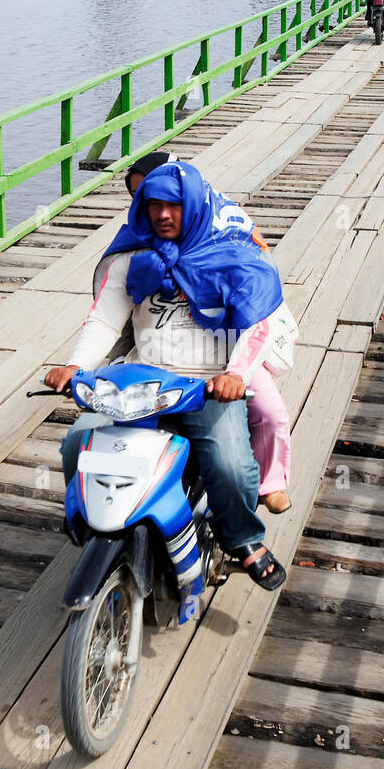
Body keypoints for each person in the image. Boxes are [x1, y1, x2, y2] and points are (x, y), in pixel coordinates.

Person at [45, 159, 296, 590]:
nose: (163, 215)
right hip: (141, 381)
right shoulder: (132, 259)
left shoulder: (231, 257)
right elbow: (104, 319)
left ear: (195, 206)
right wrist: (75, 366)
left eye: (174, 206)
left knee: (232, 465)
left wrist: (235, 374)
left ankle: (241, 539)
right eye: (154, 205)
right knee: (76, 445)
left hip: (207, 386)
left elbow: (259, 323)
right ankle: (93, 523)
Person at [124, 153, 292, 513]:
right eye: (144, 199)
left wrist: (238, 366)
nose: (155, 211)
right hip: (163, 339)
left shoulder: (226, 226)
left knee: (269, 411)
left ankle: (269, 482)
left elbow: (257, 287)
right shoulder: (140, 232)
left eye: (166, 198)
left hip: (229, 337)